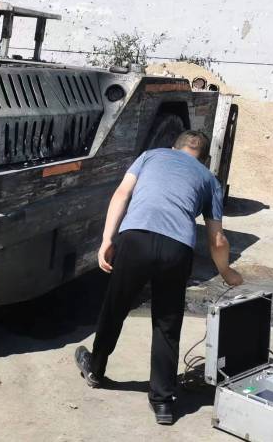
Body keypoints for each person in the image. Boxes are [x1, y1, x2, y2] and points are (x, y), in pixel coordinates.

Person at [74, 130, 244, 425]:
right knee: (167, 323)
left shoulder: (150, 156)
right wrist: (227, 272)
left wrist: (107, 239)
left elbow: (121, 194)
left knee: (116, 307)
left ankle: (96, 369)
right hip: (176, 249)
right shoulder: (209, 180)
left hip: (135, 238)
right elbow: (217, 239)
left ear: (173, 148)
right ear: (205, 160)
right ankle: (163, 402)